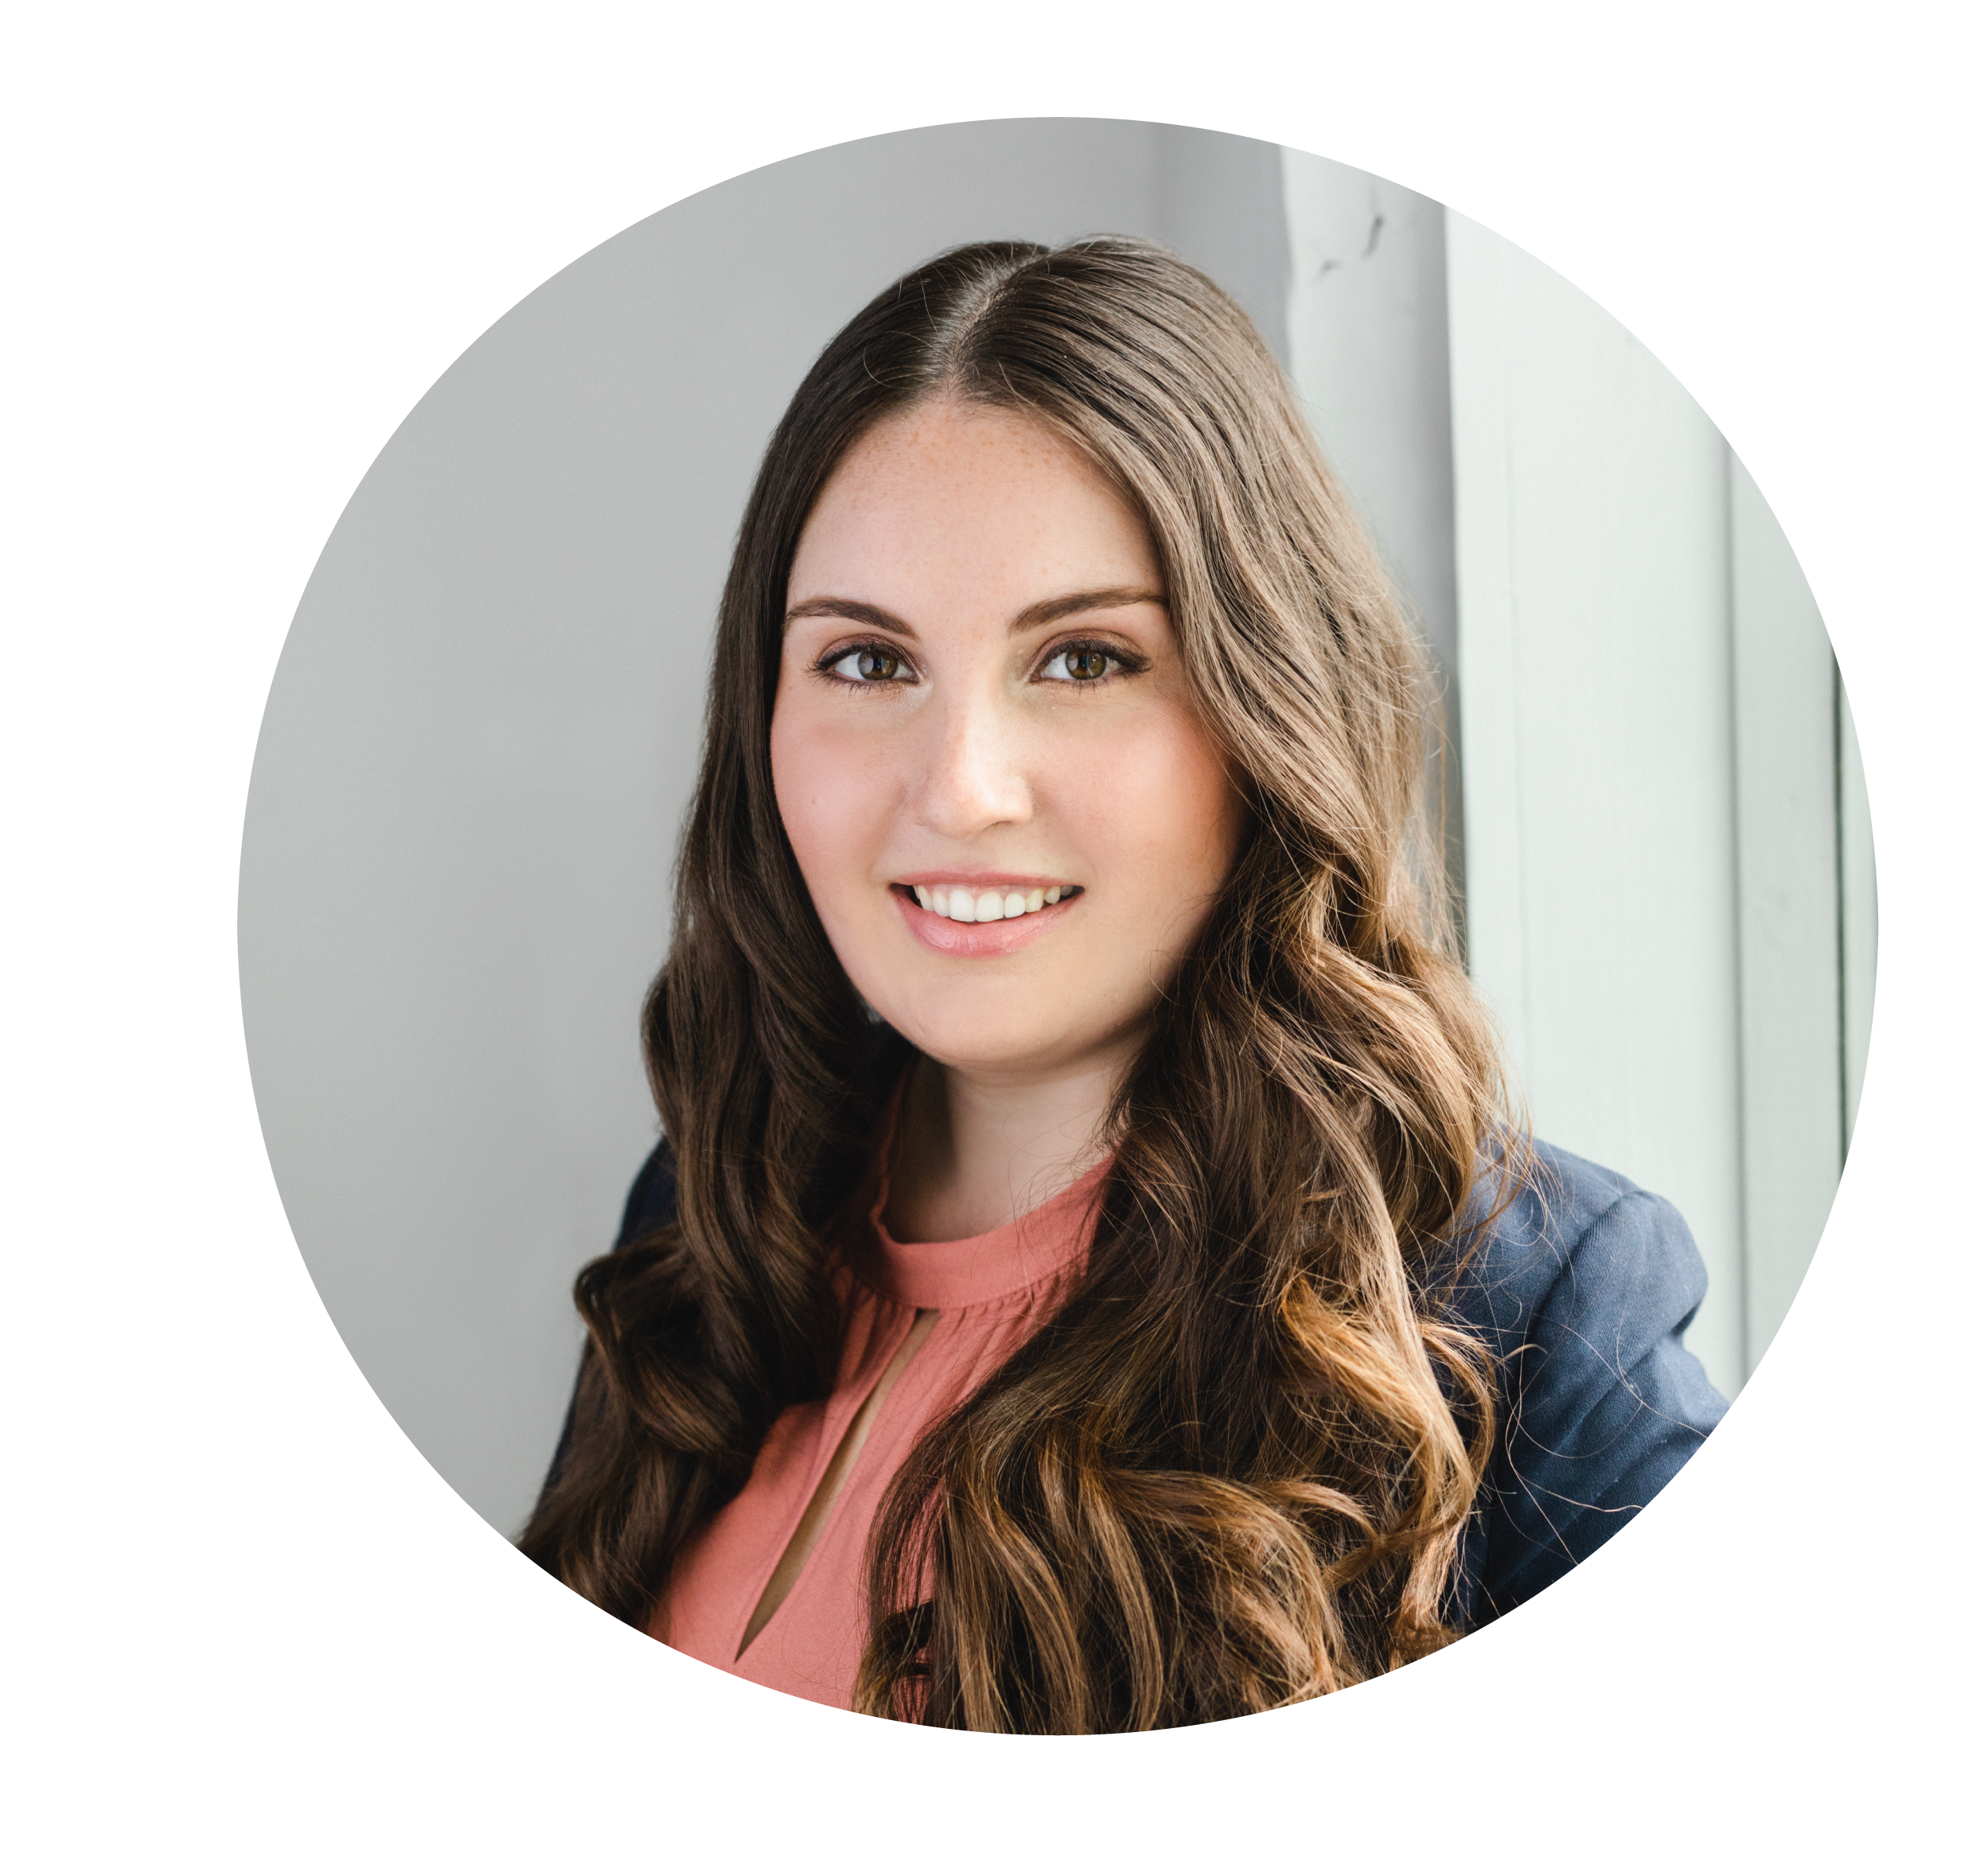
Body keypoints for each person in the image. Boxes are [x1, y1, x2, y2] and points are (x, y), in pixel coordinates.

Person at [520, 236, 1729, 1731]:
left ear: (1264, 705)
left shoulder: (1520, 1315)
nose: (959, 789)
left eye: (1085, 660)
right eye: (866, 663)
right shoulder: (712, 1211)